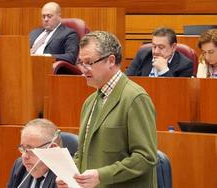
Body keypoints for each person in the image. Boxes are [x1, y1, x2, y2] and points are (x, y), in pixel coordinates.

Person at [57, 31, 157, 188]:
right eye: (81, 62)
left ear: (111, 60)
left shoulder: (135, 98)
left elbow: (145, 158)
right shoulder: (89, 102)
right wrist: (71, 175)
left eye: (89, 62)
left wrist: (102, 176)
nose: (83, 69)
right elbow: (83, 153)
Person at [7, 118, 61, 188]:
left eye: (30, 150)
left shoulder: (64, 176)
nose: (24, 156)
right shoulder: (19, 166)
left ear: (52, 149)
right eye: (22, 148)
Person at [125, 27, 194, 77]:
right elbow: (127, 78)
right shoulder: (143, 54)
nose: (156, 51)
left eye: (161, 47)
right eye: (154, 46)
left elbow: (179, 92)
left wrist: (164, 70)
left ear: (173, 47)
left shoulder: (185, 65)